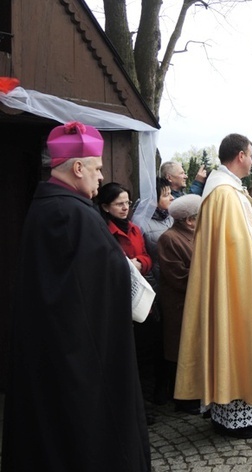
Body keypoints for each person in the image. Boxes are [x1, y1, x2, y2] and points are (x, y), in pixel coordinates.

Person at [2, 121, 150, 471]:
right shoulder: (71, 213)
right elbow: (92, 285)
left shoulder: (51, 206)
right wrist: (122, 269)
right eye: (97, 169)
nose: (101, 178)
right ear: (78, 167)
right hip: (80, 354)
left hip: (59, 346)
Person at [175, 133, 252, 440]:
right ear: (239, 155)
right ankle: (235, 418)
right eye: (250, 153)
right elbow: (236, 244)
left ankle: (245, 410)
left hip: (237, 281)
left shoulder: (231, 190)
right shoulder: (223, 194)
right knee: (235, 341)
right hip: (233, 287)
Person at [96, 182, 165, 415]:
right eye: (119, 204)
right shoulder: (103, 230)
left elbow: (146, 256)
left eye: (127, 202)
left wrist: (139, 264)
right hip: (119, 298)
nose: (125, 208)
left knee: (148, 350)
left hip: (142, 295)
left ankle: (149, 399)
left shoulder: (134, 229)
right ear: (106, 207)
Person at [156, 194, 202, 414]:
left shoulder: (198, 235)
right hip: (180, 305)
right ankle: (183, 398)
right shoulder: (170, 238)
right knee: (181, 351)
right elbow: (178, 276)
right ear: (189, 220)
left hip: (197, 302)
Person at [139, 176, 175, 288]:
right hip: (158, 281)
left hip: (175, 277)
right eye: (166, 195)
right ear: (152, 199)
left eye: (170, 193)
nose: (172, 198)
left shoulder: (173, 216)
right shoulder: (141, 224)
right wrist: (153, 286)